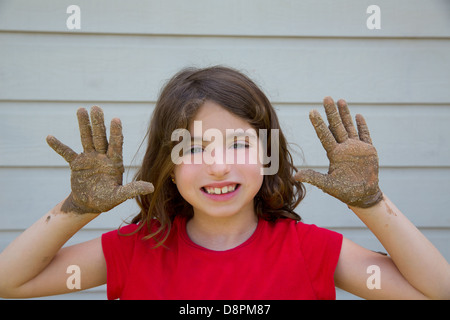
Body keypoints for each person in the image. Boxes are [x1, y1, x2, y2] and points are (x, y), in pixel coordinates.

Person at [0, 66, 449, 300]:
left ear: (268, 153)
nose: (217, 166)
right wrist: (76, 209)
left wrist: (371, 202)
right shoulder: (136, 250)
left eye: (238, 144)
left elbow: (436, 290)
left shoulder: (310, 251)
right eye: (193, 148)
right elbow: (10, 282)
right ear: (168, 164)